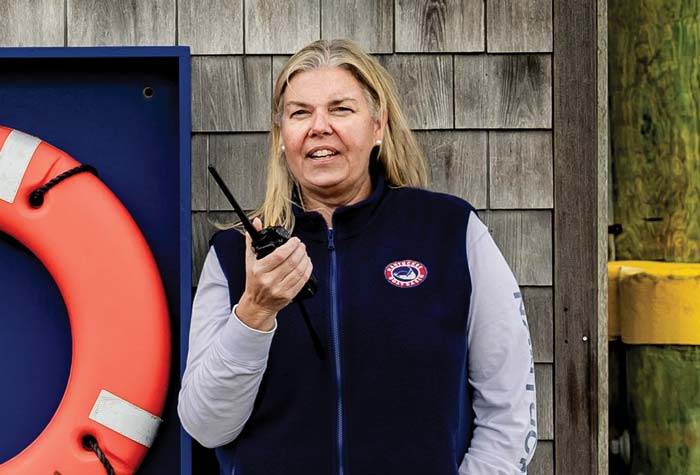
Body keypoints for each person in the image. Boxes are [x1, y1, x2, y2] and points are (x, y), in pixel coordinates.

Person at [178, 39, 537, 475]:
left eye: (341, 109)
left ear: (378, 126)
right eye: (300, 113)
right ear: (280, 138)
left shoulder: (451, 231)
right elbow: (206, 426)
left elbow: (509, 411)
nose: (319, 127)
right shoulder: (236, 254)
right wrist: (254, 312)